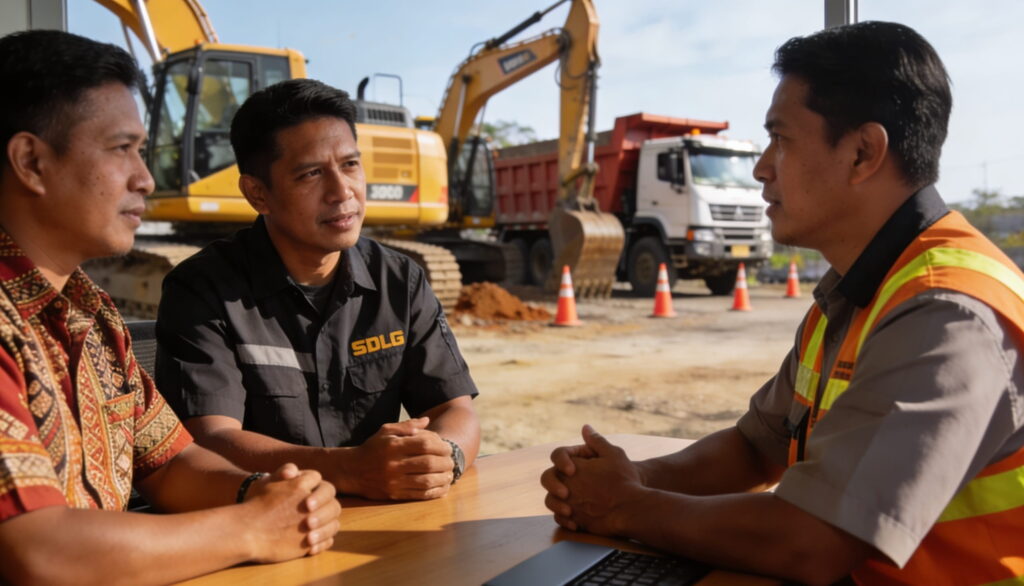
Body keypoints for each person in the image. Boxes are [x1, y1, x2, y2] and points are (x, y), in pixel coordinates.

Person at [541, 21, 1024, 585]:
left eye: (782, 139)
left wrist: (623, 507)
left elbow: (812, 540)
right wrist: (634, 478)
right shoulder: (857, 292)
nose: (761, 167)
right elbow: (753, 448)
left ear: (863, 152)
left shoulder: (948, 310)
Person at [0, 30, 341, 584]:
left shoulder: (93, 313)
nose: (146, 178)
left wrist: (265, 494)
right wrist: (253, 528)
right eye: (121, 149)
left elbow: (170, 463)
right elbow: (36, 551)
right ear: (31, 162)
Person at [154, 78, 481, 501]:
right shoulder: (203, 290)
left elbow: (454, 409)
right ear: (258, 193)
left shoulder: (400, 280)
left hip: (384, 518)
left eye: (350, 165)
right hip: (267, 529)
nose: (342, 192)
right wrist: (349, 469)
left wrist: (444, 457)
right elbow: (210, 440)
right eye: (311, 173)